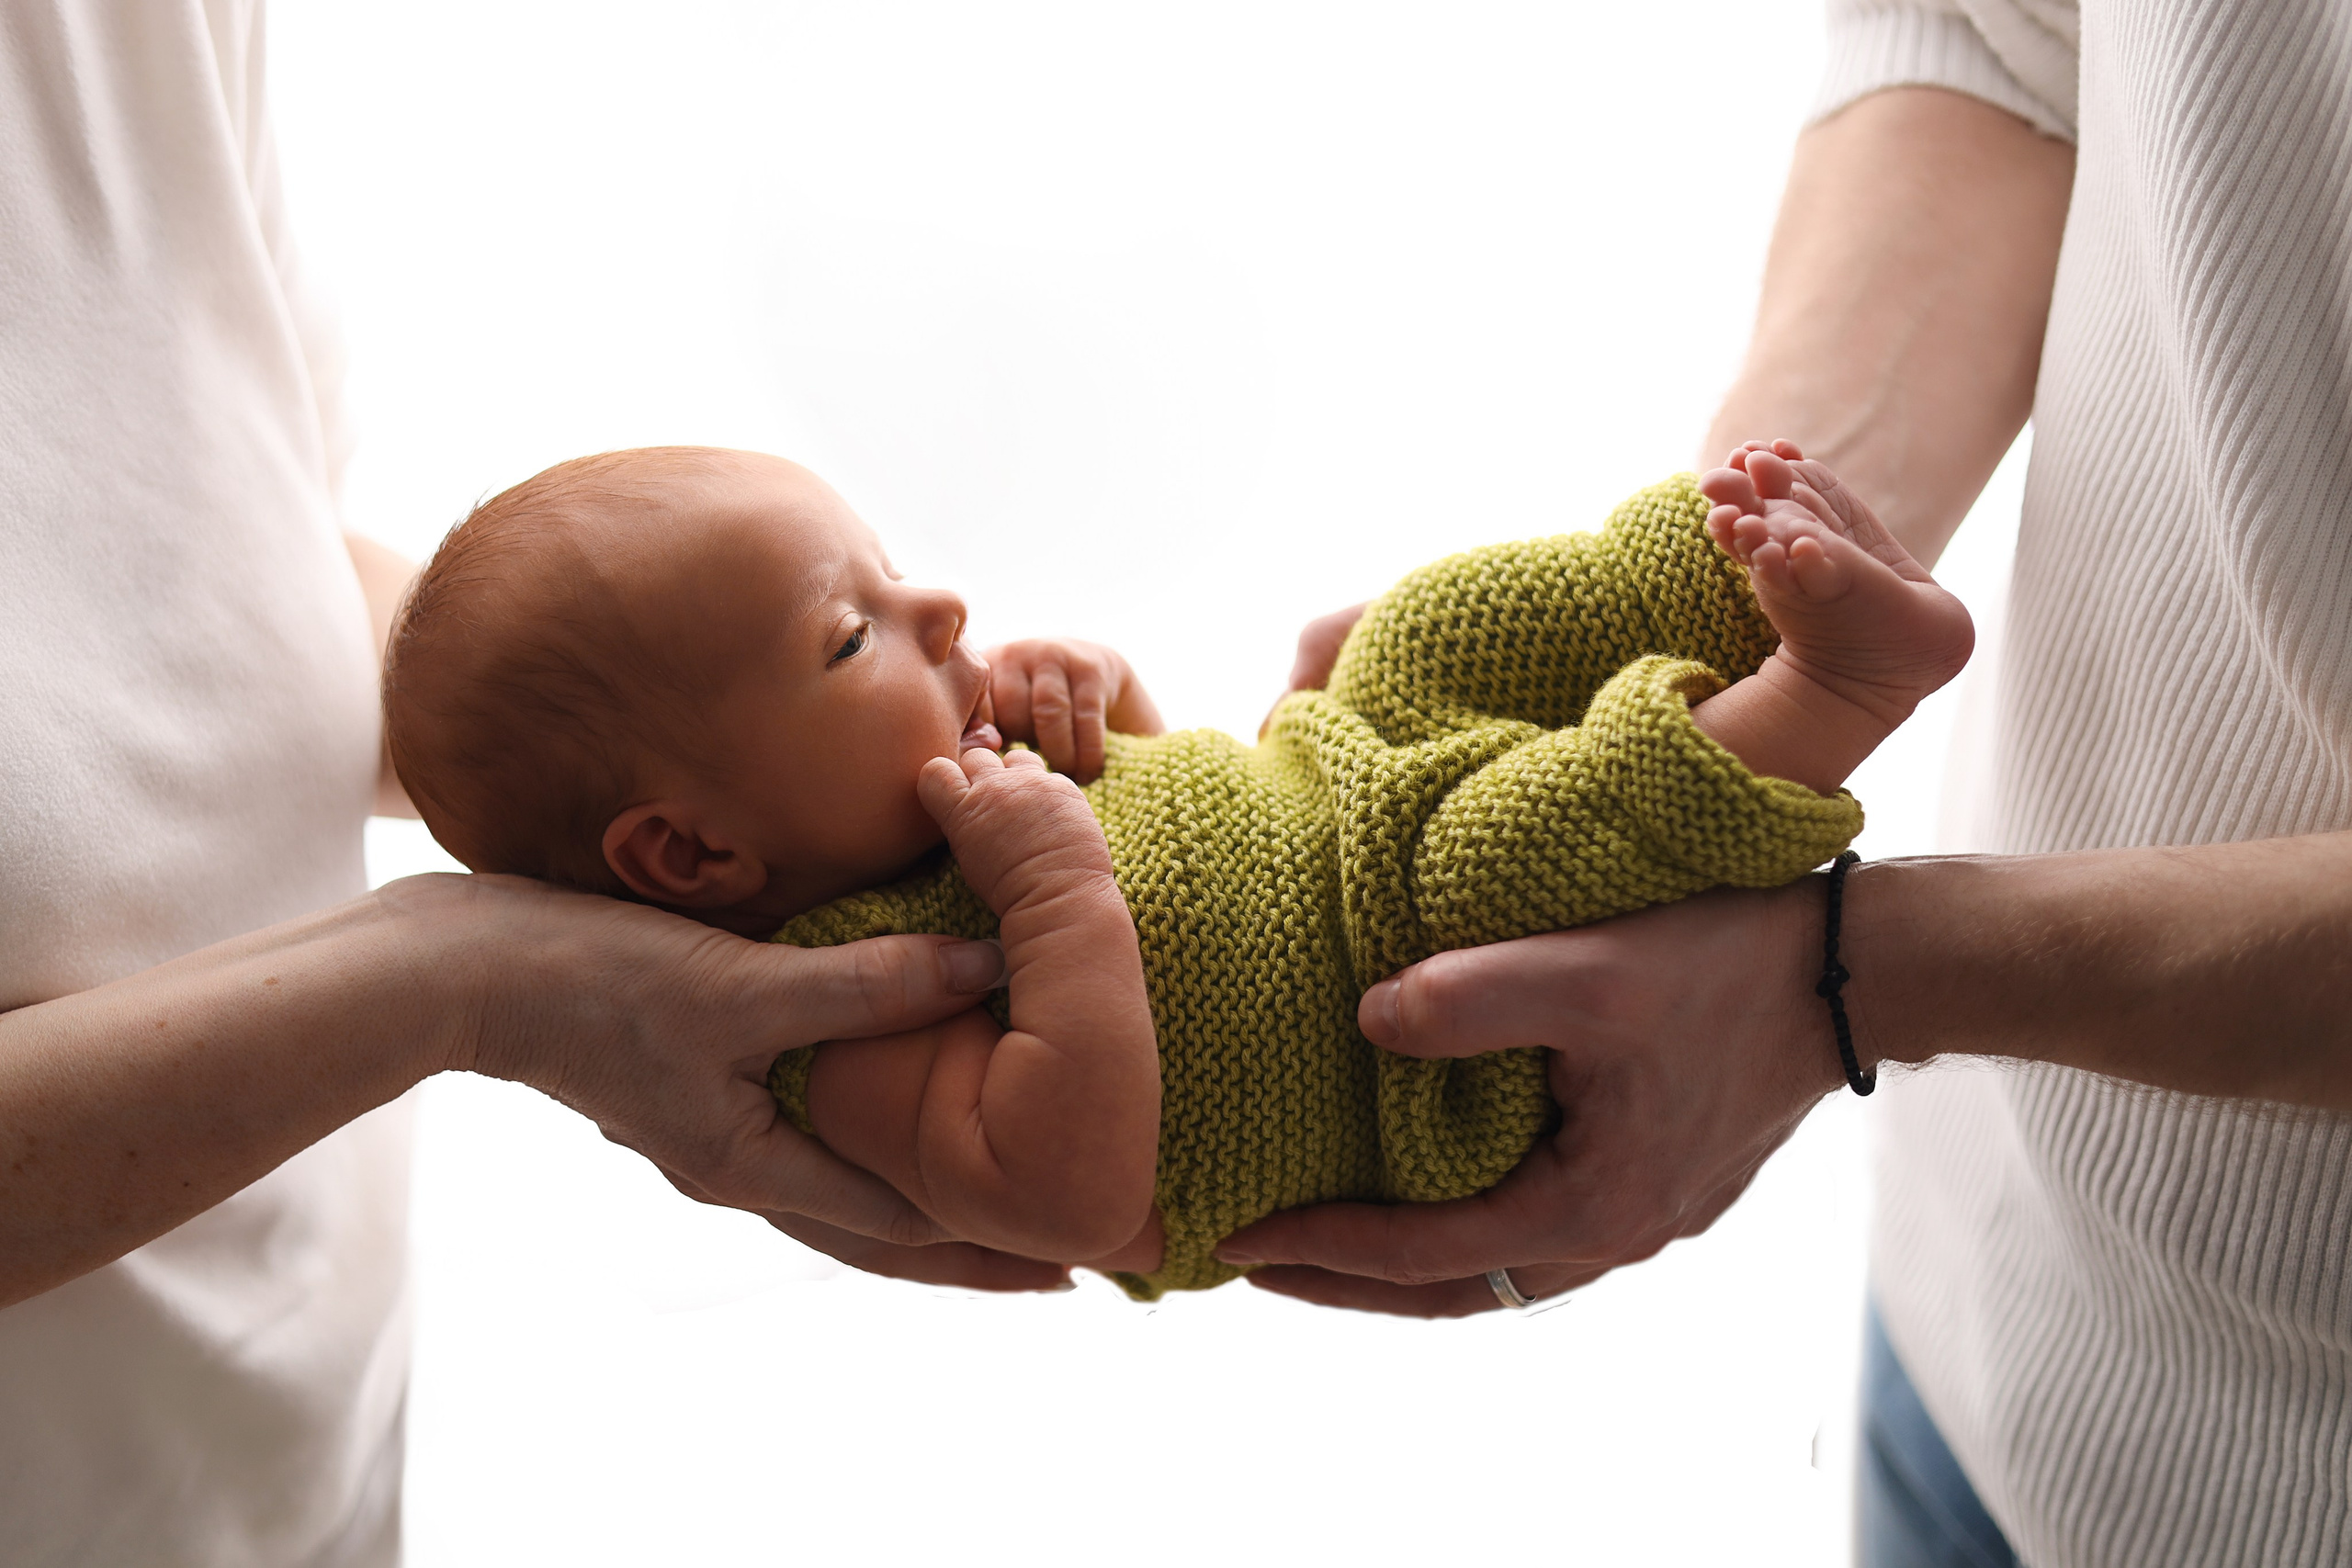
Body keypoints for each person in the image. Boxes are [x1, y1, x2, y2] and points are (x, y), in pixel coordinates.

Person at [1217, 3, 2352, 1565]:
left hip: (2294, 1489)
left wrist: (1850, 979)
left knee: (1498, 845)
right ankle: (1797, 682)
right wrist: (1713, 588)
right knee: (1481, 762)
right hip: (1990, 1299)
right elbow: (2006, 38)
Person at [0, 8, 1025, 1564]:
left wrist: (743, 758)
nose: (946, 614)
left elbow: (250, 572)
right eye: (851, 628)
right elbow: (1109, 1188)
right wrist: (477, 980)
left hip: (292, 1466)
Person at [372, 438, 1965, 1299]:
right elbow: (1073, 1191)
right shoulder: (817, 1022)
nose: (938, 612)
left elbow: (1172, 784)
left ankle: (1712, 567)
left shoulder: (966, 780)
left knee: (1415, 635)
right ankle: (1825, 696)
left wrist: (1103, 699)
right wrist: (1056, 896)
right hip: (1424, 1037)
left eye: (894, 571)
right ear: (697, 852)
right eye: (852, 633)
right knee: (1510, 852)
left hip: (1331, 780)